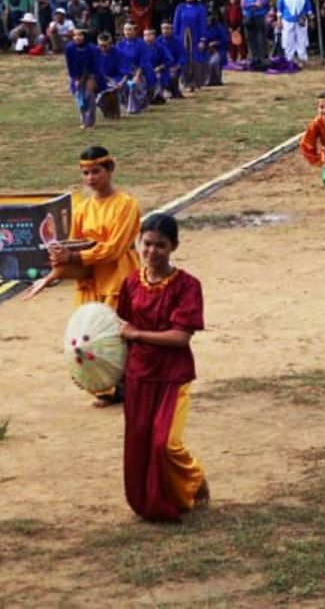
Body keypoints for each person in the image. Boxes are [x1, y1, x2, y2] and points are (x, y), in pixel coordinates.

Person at [24, 146, 141, 406]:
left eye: (96, 172)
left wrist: (74, 257)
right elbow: (73, 244)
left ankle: (126, 385)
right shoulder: (84, 207)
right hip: (89, 279)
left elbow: (113, 249)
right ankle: (104, 387)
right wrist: (53, 272)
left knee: (117, 332)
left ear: (110, 170)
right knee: (89, 337)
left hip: (118, 276)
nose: (90, 178)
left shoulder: (126, 205)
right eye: (85, 173)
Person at [117, 214, 208, 521]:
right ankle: (149, 500)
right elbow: (119, 328)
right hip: (138, 375)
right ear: (138, 244)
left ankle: (194, 479)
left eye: (161, 245)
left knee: (164, 443)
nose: (152, 251)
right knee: (140, 441)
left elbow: (181, 336)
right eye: (147, 244)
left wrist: (138, 334)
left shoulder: (187, 286)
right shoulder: (130, 283)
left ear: (174, 247)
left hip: (172, 375)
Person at [64, 29, 100, 128]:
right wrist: (76, 78)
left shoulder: (92, 49)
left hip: (91, 74)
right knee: (79, 97)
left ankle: (90, 121)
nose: (77, 37)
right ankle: (83, 120)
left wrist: (92, 78)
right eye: (75, 35)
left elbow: (95, 65)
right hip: (76, 75)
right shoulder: (69, 48)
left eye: (80, 35)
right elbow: (70, 65)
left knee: (89, 96)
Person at [277, 0, 313, 64]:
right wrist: (279, 20)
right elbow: (279, 9)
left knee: (302, 38)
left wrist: (311, 18)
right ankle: (289, 58)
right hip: (287, 19)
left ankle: (302, 58)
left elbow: (308, 7)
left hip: (301, 19)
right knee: (289, 39)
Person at [240, 0, 270, 68]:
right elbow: (243, 5)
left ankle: (262, 59)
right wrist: (253, 4)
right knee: (250, 39)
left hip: (259, 19)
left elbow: (262, 4)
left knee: (261, 39)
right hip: (248, 19)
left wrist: (251, 5)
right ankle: (253, 57)